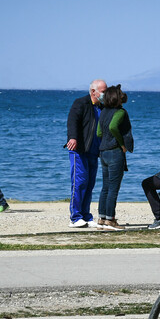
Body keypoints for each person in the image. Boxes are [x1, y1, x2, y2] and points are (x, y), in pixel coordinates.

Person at [66, 79, 106, 228]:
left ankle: (86, 215)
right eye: (103, 91)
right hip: (80, 150)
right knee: (79, 182)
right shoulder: (81, 103)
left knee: (90, 184)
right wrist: (73, 137)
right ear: (93, 92)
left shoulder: (102, 107)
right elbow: (72, 121)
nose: (105, 94)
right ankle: (75, 217)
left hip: (94, 151)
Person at [96, 85, 134, 231]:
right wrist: (122, 144)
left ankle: (102, 217)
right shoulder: (120, 112)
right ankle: (110, 219)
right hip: (114, 152)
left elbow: (99, 132)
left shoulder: (104, 111)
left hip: (103, 151)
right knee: (113, 187)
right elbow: (113, 127)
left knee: (105, 186)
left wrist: (107, 139)